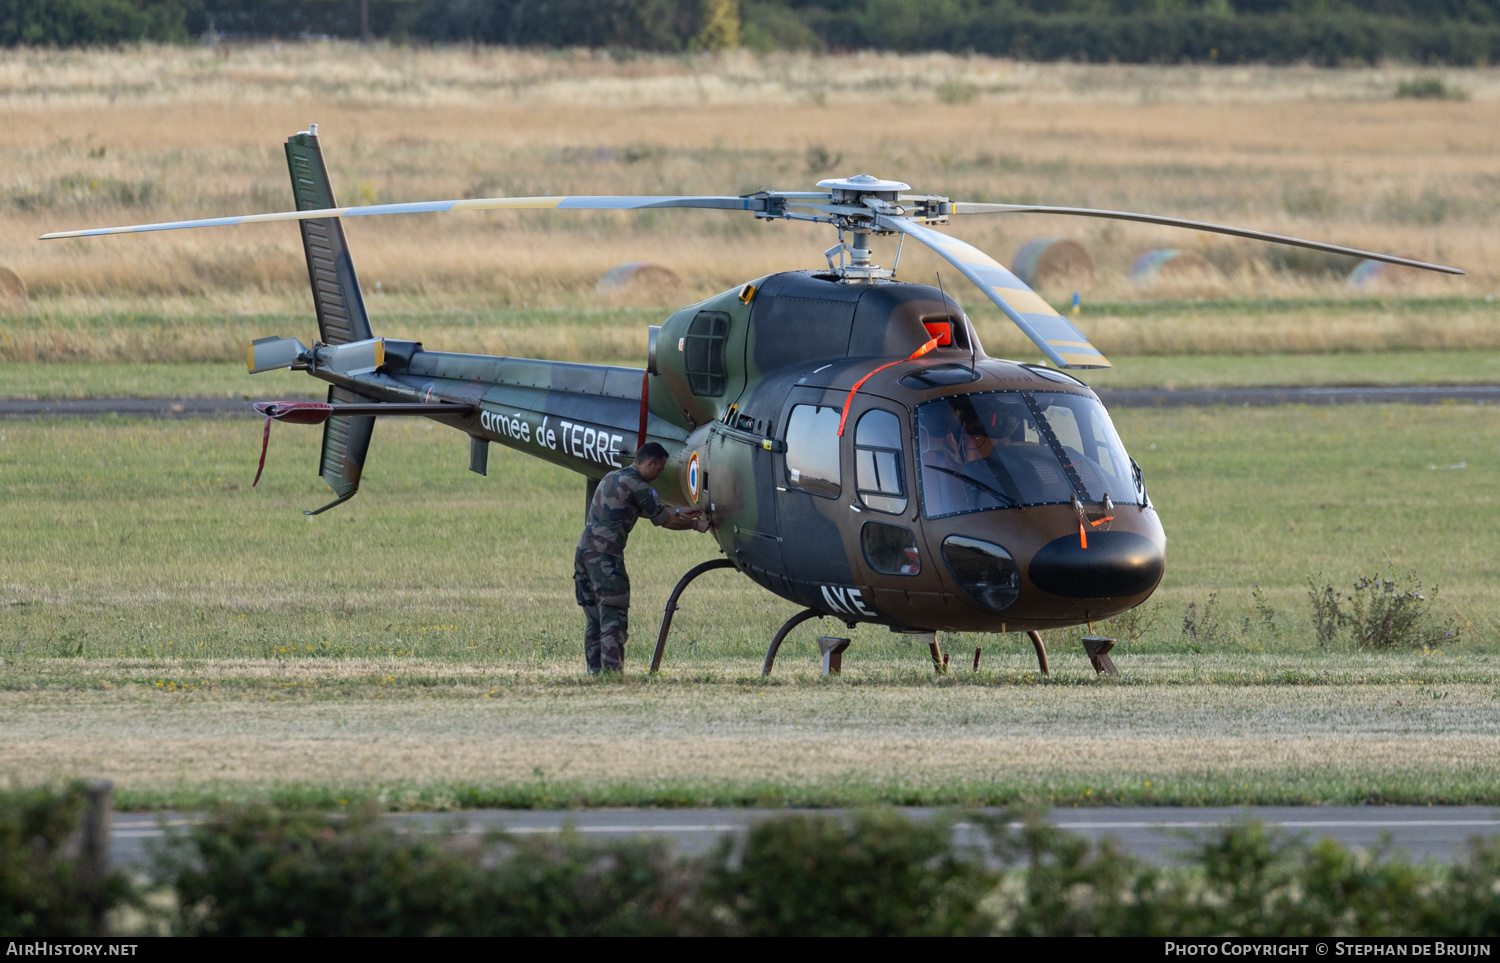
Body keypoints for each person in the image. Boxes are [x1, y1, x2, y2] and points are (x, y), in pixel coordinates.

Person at [574, 442, 709, 674]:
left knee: (595, 619)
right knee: (613, 617)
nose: (658, 475)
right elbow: (663, 520)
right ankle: (612, 675)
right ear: (649, 463)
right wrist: (696, 524)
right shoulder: (639, 486)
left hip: (583, 553)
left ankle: (594, 673)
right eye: (658, 469)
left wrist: (678, 510)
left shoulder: (612, 477)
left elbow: (641, 507)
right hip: (606, 558)